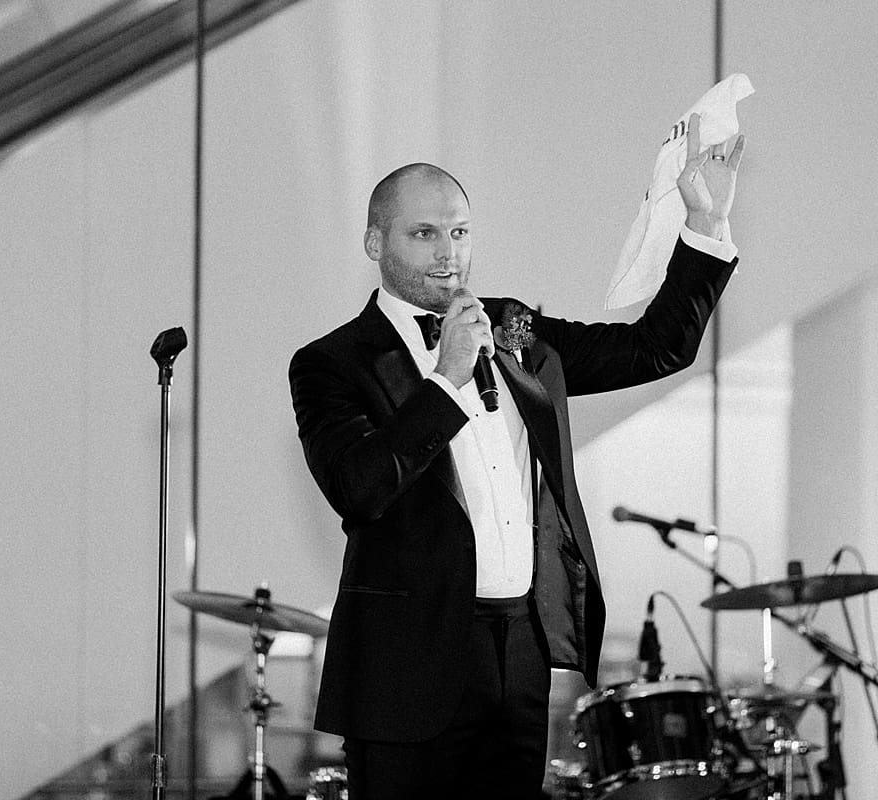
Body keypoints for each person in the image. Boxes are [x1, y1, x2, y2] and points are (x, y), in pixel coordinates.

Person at [288, 113, 745, 799]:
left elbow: (652, 348)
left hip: (519, 657)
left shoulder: (510, 325)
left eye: (460, 232)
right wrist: (446, 378)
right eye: (425, 233)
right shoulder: (331, 362)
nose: (449, 253)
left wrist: (703, 225)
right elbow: (358, 487)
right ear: (374, 241)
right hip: (406, 669)